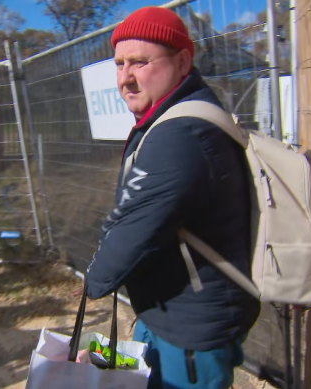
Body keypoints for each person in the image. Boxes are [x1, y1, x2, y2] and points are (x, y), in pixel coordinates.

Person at [86, 6, 260, 389]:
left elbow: (133, 230)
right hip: (166, 312)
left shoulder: (180, 134)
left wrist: (93, 281)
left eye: (139, 62)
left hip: (191, 333)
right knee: (132, 376)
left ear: (182, 62)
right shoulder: (174, 118)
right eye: (118, 64)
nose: (126, 78)